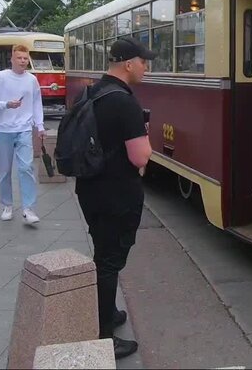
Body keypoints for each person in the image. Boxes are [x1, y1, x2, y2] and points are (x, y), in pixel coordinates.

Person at [76, 37, 155, 359]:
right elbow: (139, 157)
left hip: (90, 188)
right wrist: (146, 138)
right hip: (116, 192)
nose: (146, 67)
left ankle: (107, 313)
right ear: (128, 63)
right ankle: (104, 333)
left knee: (102, 251)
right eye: (143, 62)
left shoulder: (93, 91)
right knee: (109, 260)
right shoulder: (124, 101)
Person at [0, 44, 45, 225]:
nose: (22, 61)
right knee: (4, 170)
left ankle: (28, 208)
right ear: (12, 59)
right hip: (2, 129)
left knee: (26, 167)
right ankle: (7, 205)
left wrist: (39, 125)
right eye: (19, 58)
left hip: (24, 128)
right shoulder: (0, 78)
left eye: (26, 59)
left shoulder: (32, 80)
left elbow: (36, 103)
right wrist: (6, 104)